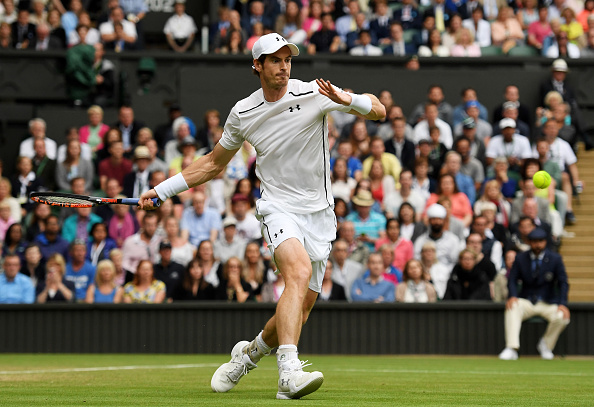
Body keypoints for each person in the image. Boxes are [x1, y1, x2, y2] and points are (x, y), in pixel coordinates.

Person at [139, 32, 385, 399]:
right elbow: (212, 164)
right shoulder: (243, 112)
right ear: (257, 65)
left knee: (297, 313)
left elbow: (379, 110)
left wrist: (345, 99)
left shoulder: (314, 93)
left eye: (287, 59)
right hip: (277, 207)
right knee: (297, 273)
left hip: (320, 213)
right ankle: (288, 372)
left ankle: (247, 356)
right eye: (274, 60)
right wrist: (162, 190)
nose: (283, 66)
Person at [498, 228, 570, 360]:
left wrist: (563, 303)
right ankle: (512, 348)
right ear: (529, 242)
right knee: (512, 307)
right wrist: (513, 296)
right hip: (527, 301)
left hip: (548, 302)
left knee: (562, 317)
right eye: (534, 241)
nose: (538, 245)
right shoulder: (520, 258)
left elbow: (563, 283)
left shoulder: (555, 258)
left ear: (545, 242)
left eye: (540, 241)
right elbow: (512, 280)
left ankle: (546, 345)